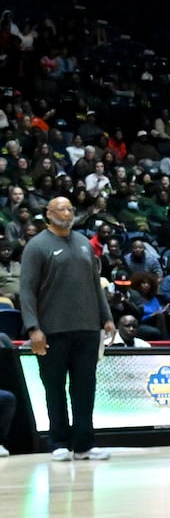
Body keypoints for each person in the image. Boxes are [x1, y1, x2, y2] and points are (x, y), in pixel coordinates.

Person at [19, 195, 116, 461]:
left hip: (86, 329)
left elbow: (95, 284)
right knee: (54, 387)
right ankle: (58, 441)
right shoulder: (37, 246)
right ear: (49, 214)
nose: (66, 212)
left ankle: (84, 444)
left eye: (70, 208)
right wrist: (33, 328)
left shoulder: (84, 243)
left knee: (85, 388)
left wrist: (106, 317)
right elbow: (26, 290)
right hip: (52, 331)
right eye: (60, 208)